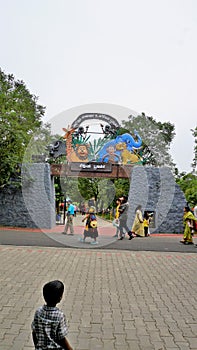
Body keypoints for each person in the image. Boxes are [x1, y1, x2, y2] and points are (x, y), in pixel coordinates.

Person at [31, 280, 73, 350]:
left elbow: (34, 332)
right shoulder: (59, 315)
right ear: (60, 298)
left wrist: (37, 346)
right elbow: (61, 338)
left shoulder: (38, 312)